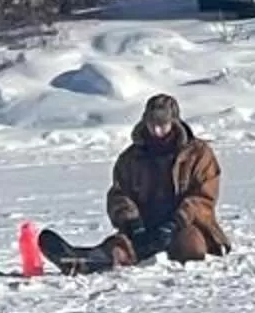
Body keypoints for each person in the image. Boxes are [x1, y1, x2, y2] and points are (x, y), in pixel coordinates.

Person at [39, 94, 230, 272]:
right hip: (145, 226)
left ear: (174, 123)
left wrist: (176, 222)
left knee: (190, 247)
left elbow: (204, 195)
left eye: (162, 125)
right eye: (152, 125)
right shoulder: (131, 158)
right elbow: (119, 194)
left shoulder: (198, 154)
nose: (156, 131)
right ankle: (82, 261)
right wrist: (132, 222)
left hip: (184, 225)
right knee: (119, 250)